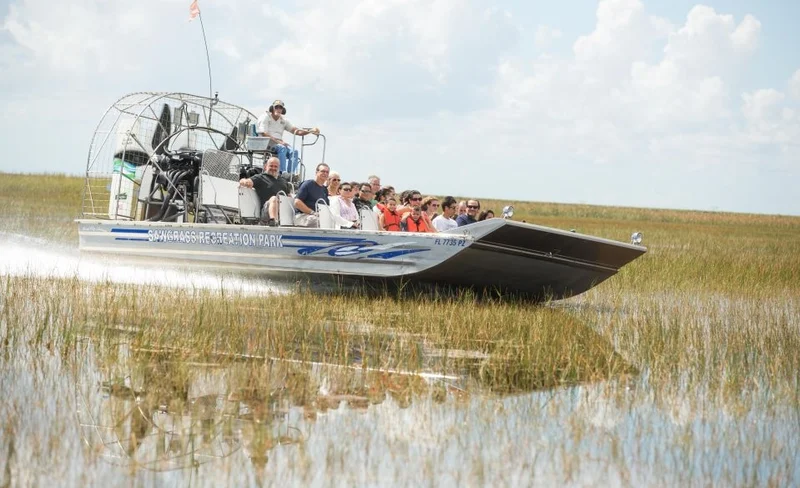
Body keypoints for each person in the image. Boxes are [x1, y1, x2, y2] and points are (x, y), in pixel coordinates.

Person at [255, 100, 320, 174]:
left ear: (283, 110)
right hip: (267, 143)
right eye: (276, 107)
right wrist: (279, 142)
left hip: (279, 143)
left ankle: (290, 174)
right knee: (282, 148)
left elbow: (297, 131)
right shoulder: (265, 117)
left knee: (294, 151)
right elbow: (264, 133)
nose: (278, 109)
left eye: (280, 108)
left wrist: (310, 131)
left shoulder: (283, 121)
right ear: (272, 108)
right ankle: (282, 172)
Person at [238, 156, 291, 226]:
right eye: (271, 166)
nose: (273, 168)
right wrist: (243, 182)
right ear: (266, 166)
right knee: (274, 198)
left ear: (279, 167)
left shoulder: (283, 181)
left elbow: (289, 197)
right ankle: (273, 222)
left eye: (275, 166)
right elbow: (246, 181)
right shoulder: (260, 177)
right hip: (266, 214)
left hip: (282, 214)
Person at [294, 163, 330, 227]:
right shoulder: (308, 184)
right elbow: (297, 202)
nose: (325, 173)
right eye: (323, 171)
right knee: (320, 222)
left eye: (327, 172)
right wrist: (313, 213)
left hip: (317, 217)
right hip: (303, 216)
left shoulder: (325, 190)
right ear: (316, 172)